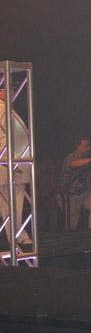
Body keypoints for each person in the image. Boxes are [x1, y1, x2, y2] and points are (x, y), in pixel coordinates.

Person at [0, 87, 32, 247]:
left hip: (13, 162)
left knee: (12, 203)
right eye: (7, 90)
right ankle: (17, 236)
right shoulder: (2, 108)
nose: (11, 93)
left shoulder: (6, 108)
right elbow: (12, 136)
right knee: (11, 202)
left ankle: (17, 235)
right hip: (9, 162)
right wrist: (13, 161)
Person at [58, 137, 91, 230]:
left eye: (89, 146)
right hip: (70, 195)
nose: (88, 148)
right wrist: (90, 160)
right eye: (86, 146)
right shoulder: (70, 158)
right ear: (78, 146)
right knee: (72, 223)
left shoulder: (86, 159)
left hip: (84, 192)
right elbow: (73, 164)